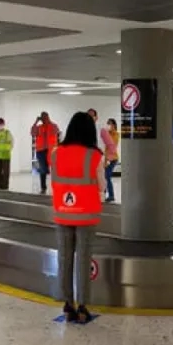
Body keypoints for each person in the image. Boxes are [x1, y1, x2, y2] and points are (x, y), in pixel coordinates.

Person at [50, 111, 105, 324]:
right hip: (87, 214)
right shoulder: (95, 156)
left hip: (62, 212)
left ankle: (67, 304)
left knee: (64, 258)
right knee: (83, 259)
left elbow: (52, 180)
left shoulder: (56, 153)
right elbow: (101, 185)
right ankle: (83, 306)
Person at [86, 109, 117, 202]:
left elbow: (111, 145)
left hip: (98, 160)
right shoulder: (81, 129)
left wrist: (107, 159)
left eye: (92, 116)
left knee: (99, 183)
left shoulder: (101, 129)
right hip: (85, 161)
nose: (90, 118)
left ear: (96, 117)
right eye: (88, 116)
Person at [30, 112, 60, 194]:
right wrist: (36, 122)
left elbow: (56, 131)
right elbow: (32, 133)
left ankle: (56, 186)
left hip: (52, 150)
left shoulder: (53, 126)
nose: (44, 118)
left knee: (54, 169)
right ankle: (43, 187)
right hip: (41, 151)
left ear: (48, 117)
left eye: (45, 117)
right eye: (42, 117)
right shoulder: (39, 127)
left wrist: (49, 122)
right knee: (43, 169)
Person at [0, 118, 14, 190]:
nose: (0, 126)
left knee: (6, 174)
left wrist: (7, 149)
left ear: (4, 124)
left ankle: (5, 189)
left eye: (1, 124)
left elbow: (11, 143)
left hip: (6, 156)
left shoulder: (7, 133)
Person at [103, 118, 120, 202]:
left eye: (110, 124)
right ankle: (103, 193)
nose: (108, 126)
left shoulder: (116, 134)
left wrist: (107, 161)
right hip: (106, 158)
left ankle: (111, 195)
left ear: (114, 125)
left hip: (113, 159)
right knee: (104, 176)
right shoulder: (107, 133)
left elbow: (112, 145)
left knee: (107, 176)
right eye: (107, 124)